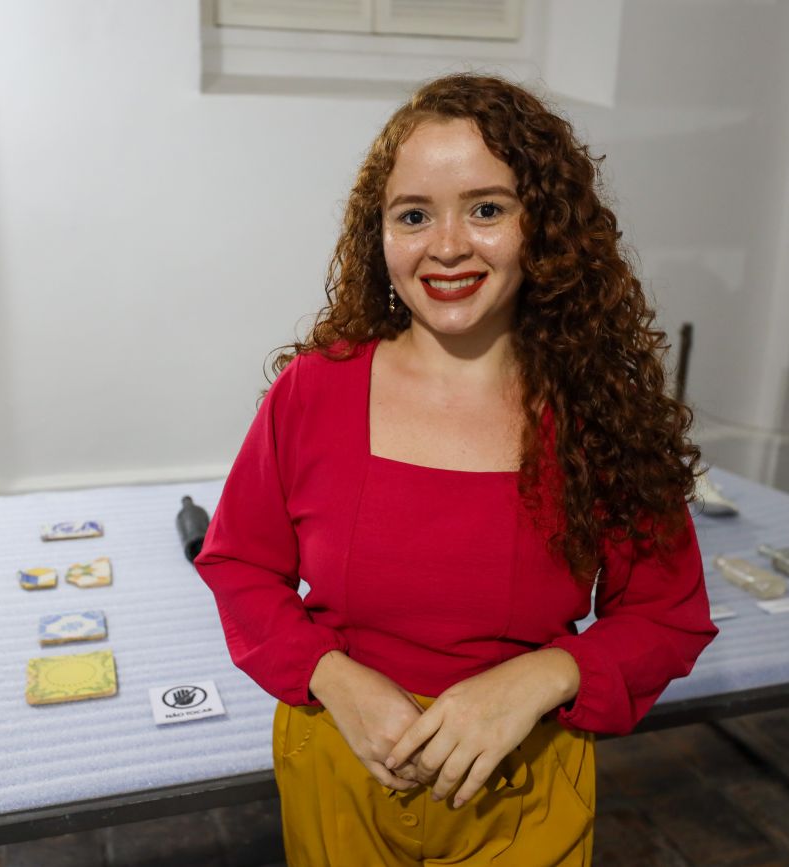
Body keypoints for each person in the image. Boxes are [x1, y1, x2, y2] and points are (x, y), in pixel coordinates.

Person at [195, 73, 717, 866]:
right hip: (338, 766)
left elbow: (666, 615)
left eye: (486, 209)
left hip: (526, 786)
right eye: (414, 215)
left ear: (544, 223)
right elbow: (238, 564)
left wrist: (543, 675)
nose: (446, 246)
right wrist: (330, 675)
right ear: (379, 233)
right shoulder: (313, 390)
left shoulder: (598, 411)